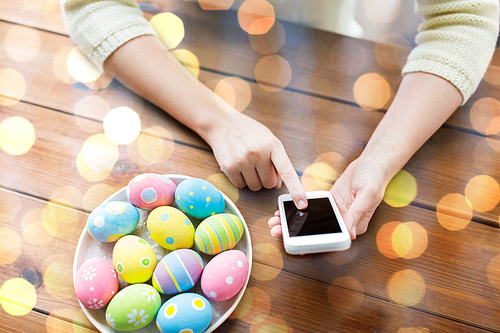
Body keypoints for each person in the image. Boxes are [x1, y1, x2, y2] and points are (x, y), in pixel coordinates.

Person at [61, 0, 499, 240]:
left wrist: (380, 158)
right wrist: (217, 121)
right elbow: (89, 5)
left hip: (321, 73)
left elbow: (465, 19)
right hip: (171, 65)